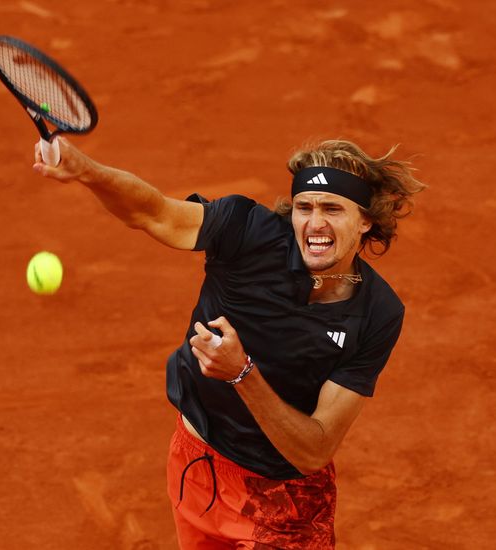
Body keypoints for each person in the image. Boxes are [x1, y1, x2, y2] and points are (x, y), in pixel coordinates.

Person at [33, 137, 425, 548]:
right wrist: (86, 171)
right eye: (305, 207)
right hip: (193, 466)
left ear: (365, 221)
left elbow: (314, 450)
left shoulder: (378, 313)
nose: (314, 224)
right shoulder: (247, 232)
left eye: (332, 209)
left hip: (280, 504)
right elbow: (154, 212)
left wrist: (242, 373)